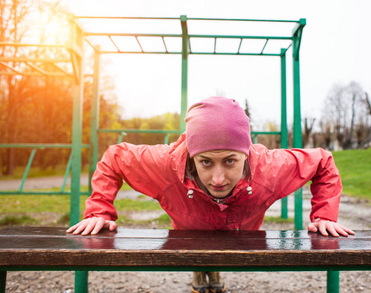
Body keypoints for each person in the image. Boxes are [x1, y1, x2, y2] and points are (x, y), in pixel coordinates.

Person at [67, 96, 354, 293]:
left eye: (230, 161)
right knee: (197, 252)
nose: (218, 178)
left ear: (245, 154)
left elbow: (323, 161)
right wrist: (100, 210)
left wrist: (324, 216)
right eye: (205, 162)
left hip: (239, 232)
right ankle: (201, 267)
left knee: (217, 254)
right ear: (192, 156)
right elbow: (115, 157)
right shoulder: (166, 165)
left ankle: (211, 267)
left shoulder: (270, 169)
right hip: (189, 230)